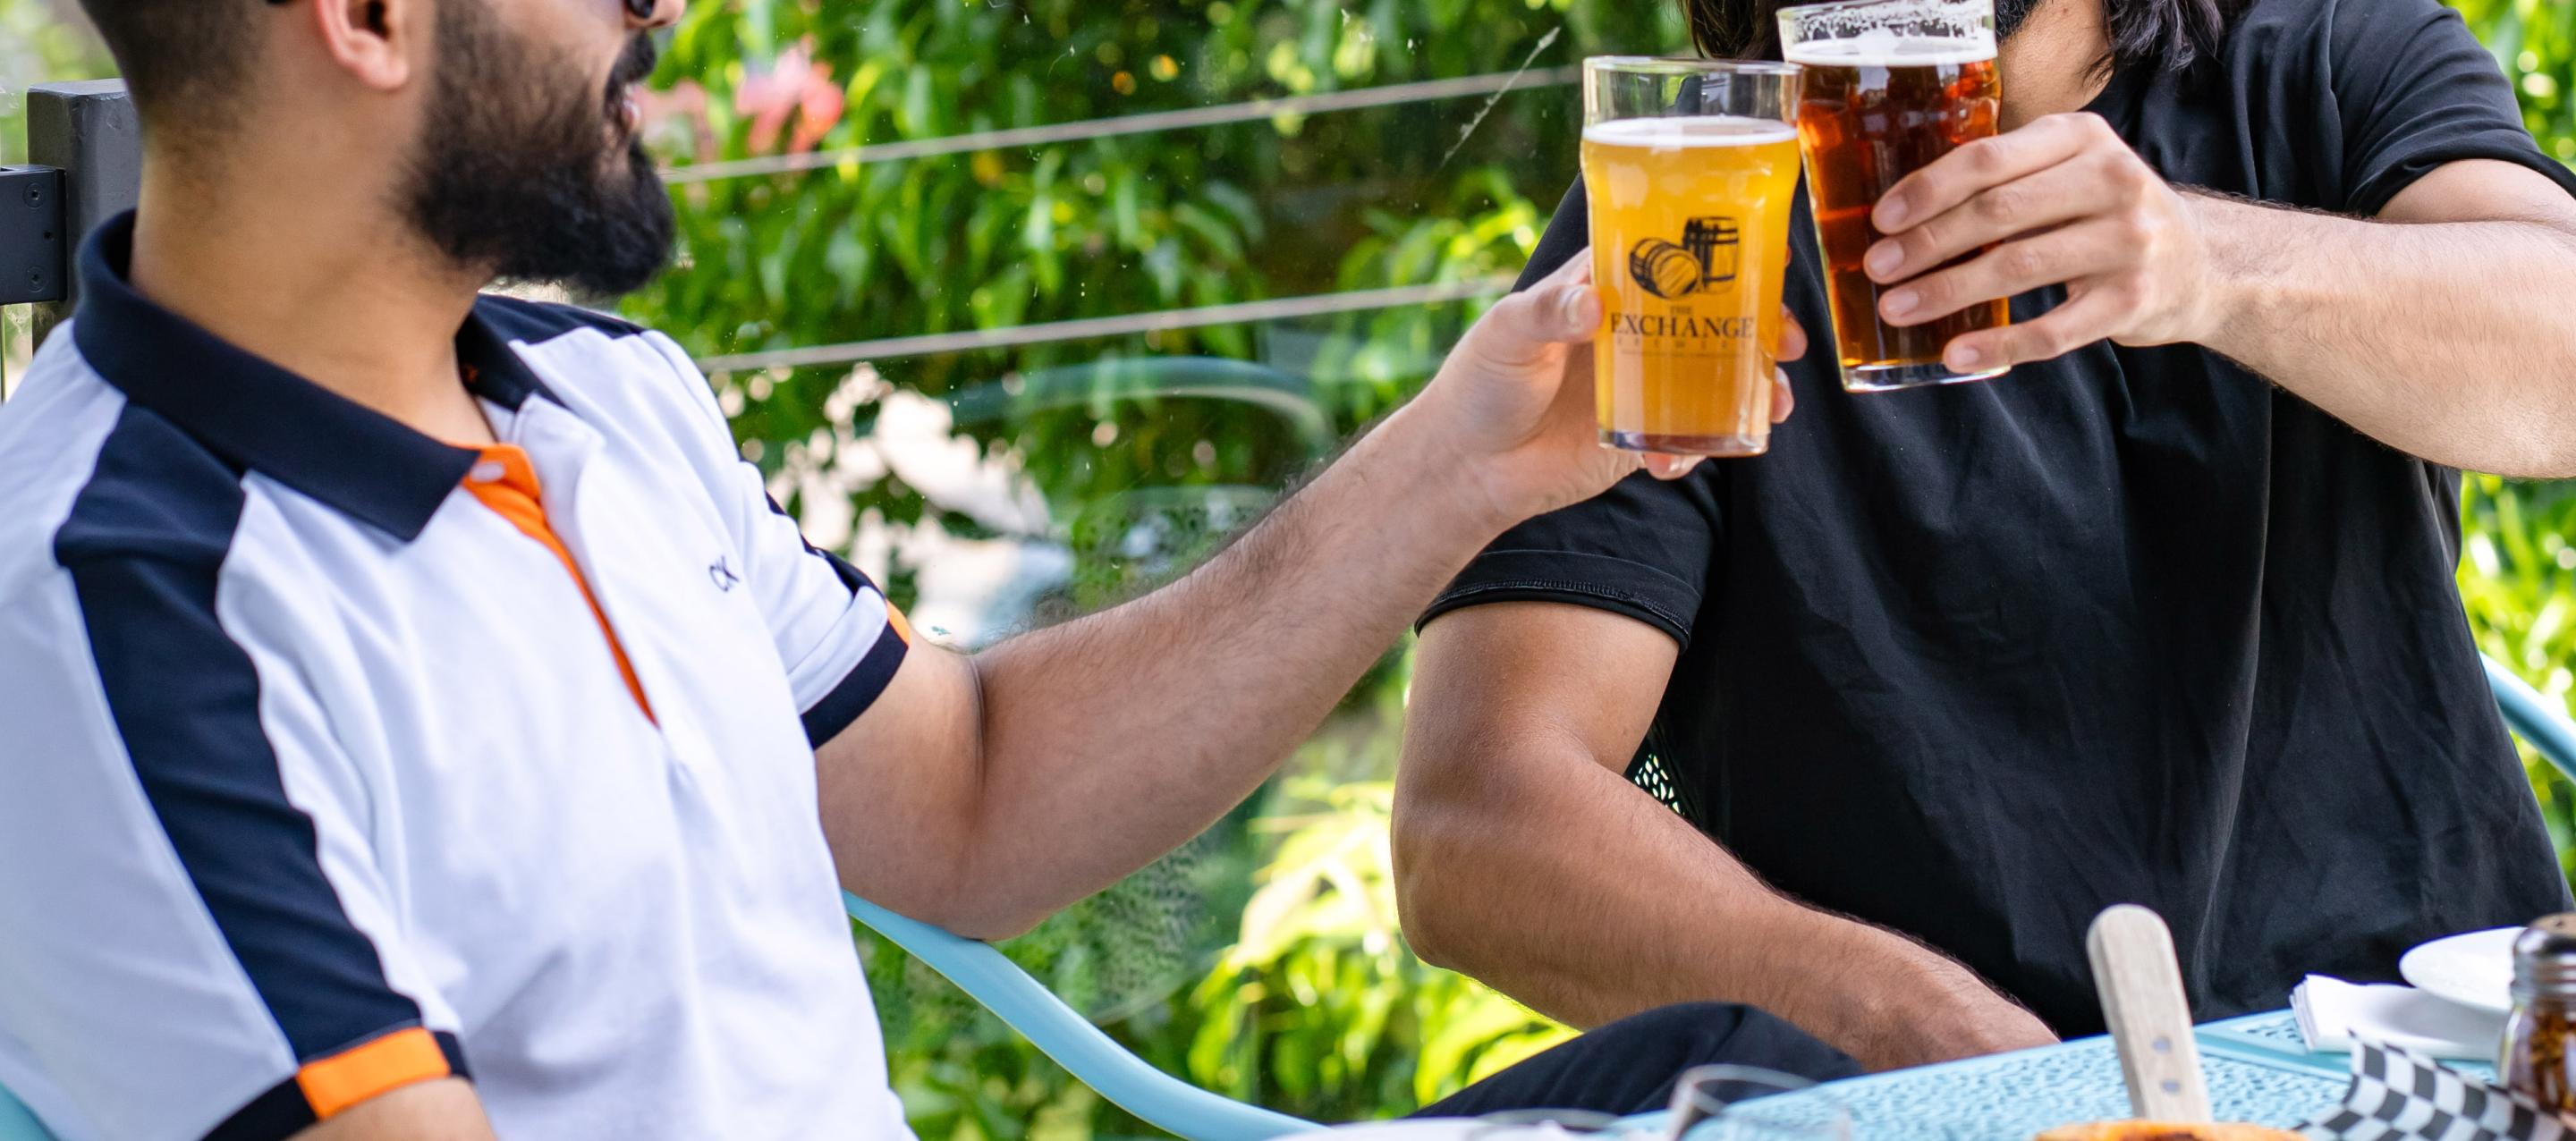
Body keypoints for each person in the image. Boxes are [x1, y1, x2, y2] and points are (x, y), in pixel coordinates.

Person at [0, 2, 1849, 1139]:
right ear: (365, 16)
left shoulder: (601, 402)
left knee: (1775, 1071)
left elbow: (970, 792)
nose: (666, 11)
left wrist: (1464, 461)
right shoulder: (118, 617)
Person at [1395, 0, 2576, 1075]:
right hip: (1940, 1093)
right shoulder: (1694, 197)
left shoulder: (2327, 52)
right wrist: (1887, 1015)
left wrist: (2208, 261)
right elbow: (1473, 822)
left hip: (2422, 1053)